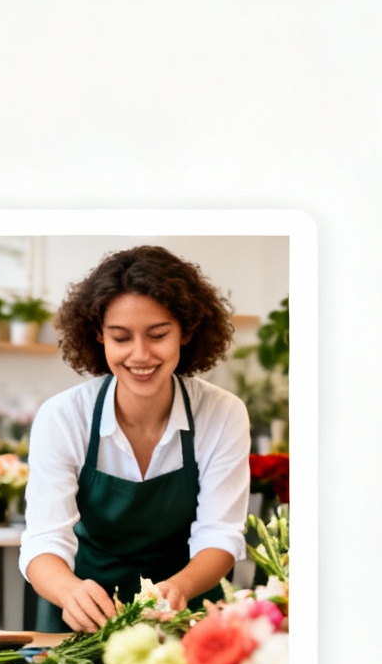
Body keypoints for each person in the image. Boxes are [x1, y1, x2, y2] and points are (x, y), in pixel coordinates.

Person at [19, 246, 252, 634]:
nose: (140, 355)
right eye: (121, 337)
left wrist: (179, 587)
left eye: (158, 335)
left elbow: (220, 534)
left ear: (186, 331)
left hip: (184, 614)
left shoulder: (222, 414)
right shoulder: (64, 417)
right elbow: (44, 540)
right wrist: (70, 593)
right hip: (83, 618)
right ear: (99, 336)